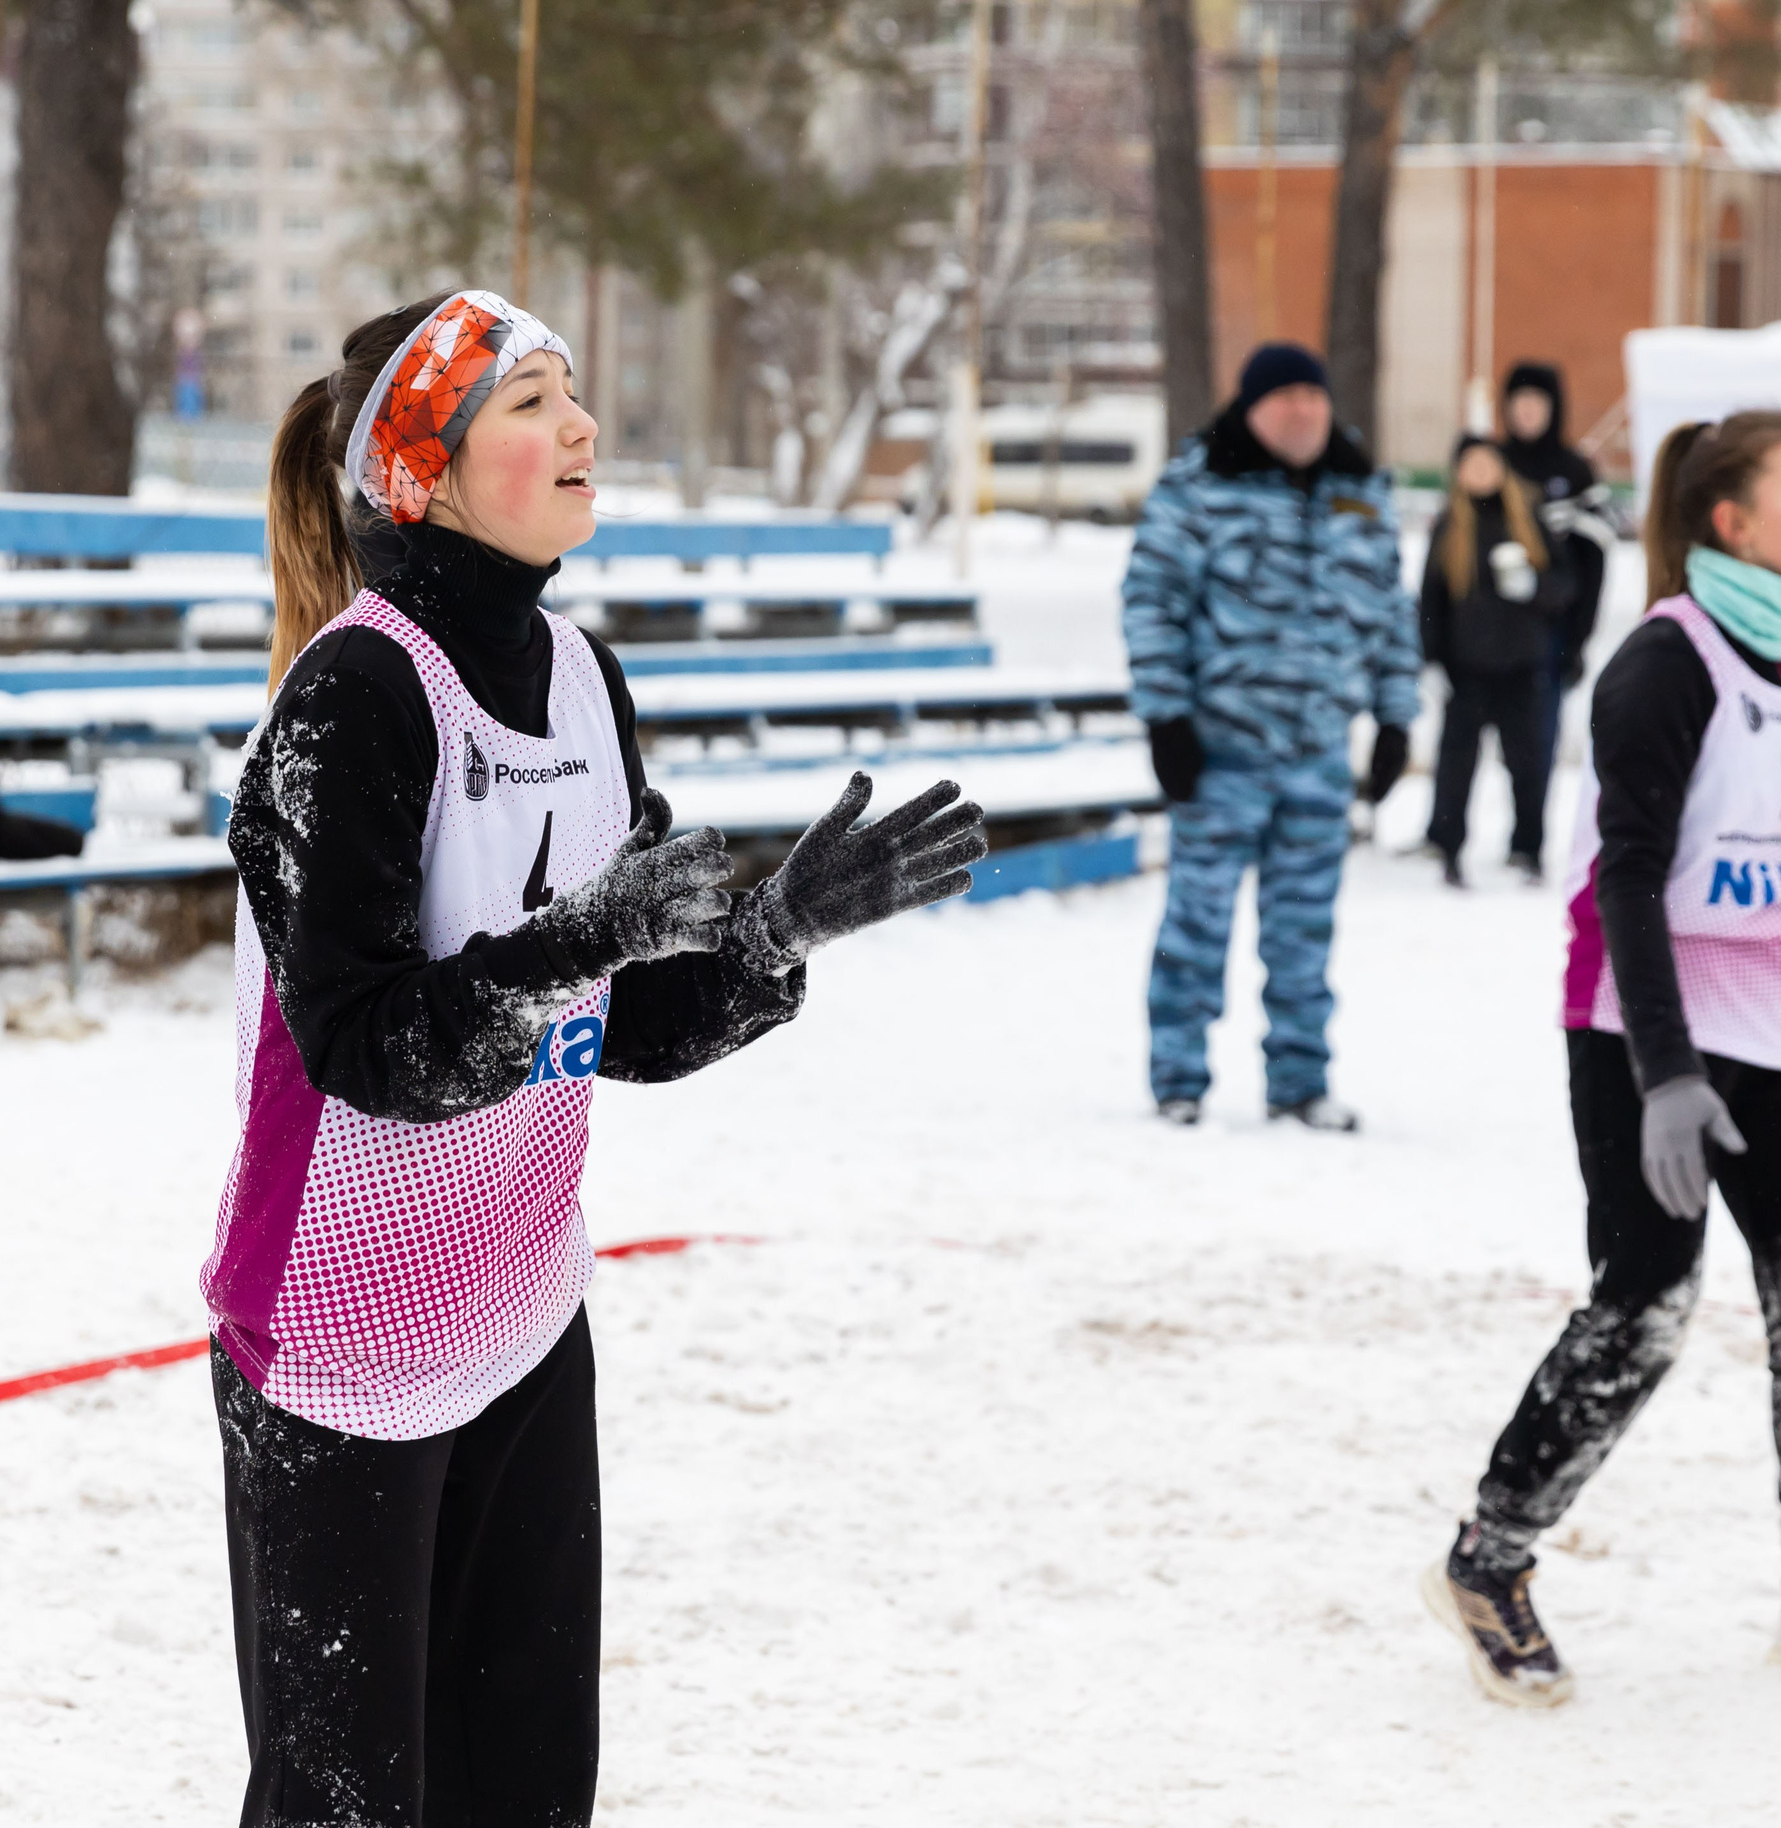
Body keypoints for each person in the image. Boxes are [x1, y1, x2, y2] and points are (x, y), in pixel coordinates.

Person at [205, 290, 991, 1825]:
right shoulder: (351, 700)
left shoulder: (581, 676)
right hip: (339, 1341)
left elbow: (619, 1019)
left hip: (520, 1306)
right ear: (423, 474)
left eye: (570, 389)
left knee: (527, 1793)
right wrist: (582, 939)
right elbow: (371, 1050)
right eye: (529, 401)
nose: (580, 425)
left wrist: (769, 937)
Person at [1426, 413, 1781, 1708]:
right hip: (1642, 1030)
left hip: (1769, 1026)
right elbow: (1627, 877)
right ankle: (1487, 1559)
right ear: (1732, 521)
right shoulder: (1664, 661)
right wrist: (1668, 1075)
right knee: (1647, 1301)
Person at [1120, 342, 1420, 1131]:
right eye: (1285, 398)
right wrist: (1165, 718)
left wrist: (1396, 718)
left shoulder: (1360, 493)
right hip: (1220, 751)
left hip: (1319, 755)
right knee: (1197, 924)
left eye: (1314, 397)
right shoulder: (1198, 488)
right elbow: (1151, 602)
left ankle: (1300, 1080)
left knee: (1304, 930)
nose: (1303, 412)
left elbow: (1392, 615)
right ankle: (1177, 1077)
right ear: (1250, 409)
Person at [1418, 434, 1579, 887]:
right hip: (1466, 669)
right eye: (1471, 465)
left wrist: (1534, 587)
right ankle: (1447, 846)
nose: (1481, 473)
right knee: (1456, 765)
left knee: (1529, 764)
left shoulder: (1528, 519)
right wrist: (1431, 659)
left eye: (1488, 464)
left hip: (1523, 666)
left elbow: (1565, 586)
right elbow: (1431, 599)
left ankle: (1528, 848)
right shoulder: (1451, 526)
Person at [1499, 361, 1616, 766]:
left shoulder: (1575, 471)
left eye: (1537, 402)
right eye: (1519, 401)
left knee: (1536, 746)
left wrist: (1579, 639)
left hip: (1552, 632)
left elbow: (1595, 560)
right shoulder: (1492, 465)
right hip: (1488, 636)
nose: (1527, 411)